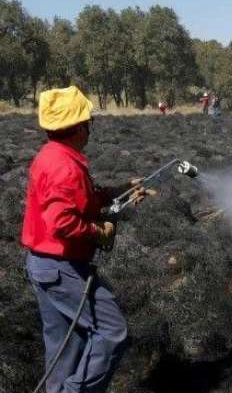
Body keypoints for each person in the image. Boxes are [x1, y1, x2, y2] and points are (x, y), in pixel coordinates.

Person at [22, 86, 155, 393]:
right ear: (77, 127)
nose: (90, 129)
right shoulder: (63, 166)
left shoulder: (54, 155)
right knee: (112, 331)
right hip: (62, 267)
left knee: (66, 342)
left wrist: (113, 192)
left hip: (44, 265)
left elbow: (77, 201)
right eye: (88, 123)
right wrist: (99, 231)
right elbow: (61, 221)